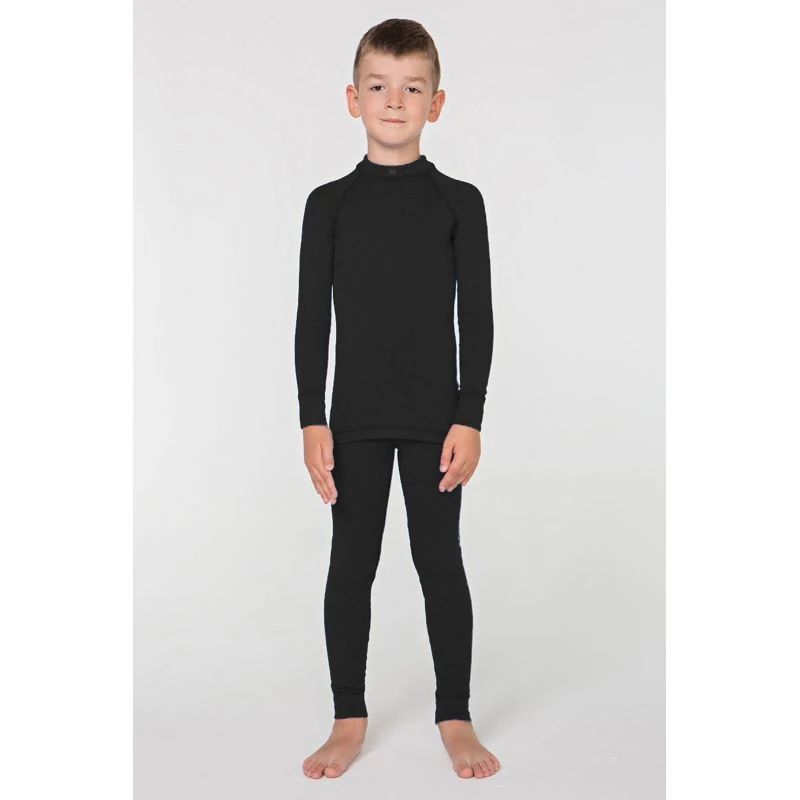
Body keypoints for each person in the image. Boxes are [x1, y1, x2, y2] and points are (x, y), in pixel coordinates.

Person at [294, 18, 500, 780]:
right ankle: (348, 717)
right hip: (352, 420)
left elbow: (477, 317)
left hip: (434, 421)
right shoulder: (328, 205)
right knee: (352, 563)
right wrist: (312, 417)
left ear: (435, 104)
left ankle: (455, 714)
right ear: (353, 99)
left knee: (439, 561)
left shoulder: (459, 202)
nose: (393, 100)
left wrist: (469, 416)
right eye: (378, 86)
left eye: (412, 88)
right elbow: (311, 318)